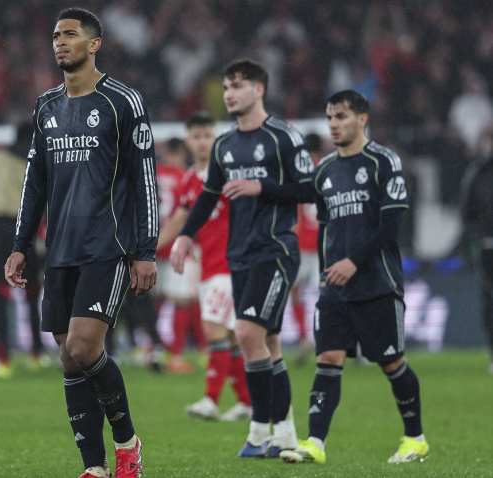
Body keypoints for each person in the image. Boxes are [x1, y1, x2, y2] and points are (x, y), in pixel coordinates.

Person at [5, 8, 157, 478]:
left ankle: (128, 443)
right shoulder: (46, 106)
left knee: (86, 346)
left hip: (107, 246)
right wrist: (20, 243)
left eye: (70, 34)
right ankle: (94, 467)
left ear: (94, 44)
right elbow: (36, 183)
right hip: (61, 251)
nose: (60, 42)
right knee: (69, 357)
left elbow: (145, 178)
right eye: (55, 35)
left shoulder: (122, 101)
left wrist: (145, 249)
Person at [170, 59, 315, 458]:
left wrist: (261, 187)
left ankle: (256, 430)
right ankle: (283, 434)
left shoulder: (284, 137)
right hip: (240, 253)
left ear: (259, 89)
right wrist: (184, 236)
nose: (230, 93)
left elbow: (311, 190)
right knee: (267, 342)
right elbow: (208, 195)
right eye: (227, 86)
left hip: (276, 249)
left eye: (238, 86)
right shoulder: (225, 144)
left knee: (248, 333)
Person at [281, 90, 429, 464]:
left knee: (392, 363)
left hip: (377, 282)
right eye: (330, 117)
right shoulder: (326, 169)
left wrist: (353, 262)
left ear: (362, 119)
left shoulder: (383, 161)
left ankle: (415, 438)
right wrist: (259, 187)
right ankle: (315, 443)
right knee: (327, 359)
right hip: (334, 288)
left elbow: (391, 225)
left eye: (341, 116)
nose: (333, 123)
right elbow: (320, 217)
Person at [158, 111, 252, 422]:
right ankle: (246, 402)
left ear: (216, 138)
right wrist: (150, 248)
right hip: (208, 264)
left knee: (214, 329)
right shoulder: (188, 180)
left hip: (230, 263)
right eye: (196, 136)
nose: (202, 142)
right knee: (232, 335)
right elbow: (181, 219)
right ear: (188, 141)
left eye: (207, 135)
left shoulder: (227, 174)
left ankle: (210, 400)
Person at [0, 121, 46, 376]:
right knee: (31, 295)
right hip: (26, 230)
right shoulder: (36, 164)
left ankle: (0, 356)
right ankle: (36, 354)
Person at [155, 136, 201, 374]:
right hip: (176, 245)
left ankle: (152, 348)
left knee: (153, 299)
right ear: (182, 152)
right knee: (182, 300)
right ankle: (176, 355)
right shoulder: (185, 176)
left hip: (150, 246)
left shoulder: (152, 173)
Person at [460, 125, 493, 374]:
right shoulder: (477, 173)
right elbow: (467, 211)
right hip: (487, 245)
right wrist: (478, 235)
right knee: (490, 299)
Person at [290, 133, 324, 366]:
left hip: (301, 243)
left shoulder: (297, 172)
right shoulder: (328, 169)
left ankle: (304, 336)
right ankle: (345, 343)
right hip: (323, 243)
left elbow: (293, 208)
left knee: (293, 291)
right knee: (330, 294)